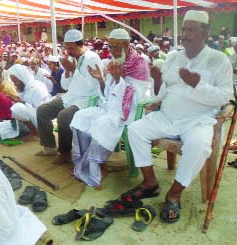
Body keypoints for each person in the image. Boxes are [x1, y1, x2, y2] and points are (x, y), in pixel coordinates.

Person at [124, 10, 233, 223]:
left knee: (200, 145)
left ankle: (174, 193)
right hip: (167, 116)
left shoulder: (219, 60)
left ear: (206, 32)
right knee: (135, 130)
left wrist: (197, 84)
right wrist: (157, 84)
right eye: (184, 29)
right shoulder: (173, 57)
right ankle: (150, 183)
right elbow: (164, 90)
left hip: (198, 120)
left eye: (191, 29)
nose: (185, 34)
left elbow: (224, 96)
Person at [69, 29, 150, 188]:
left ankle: (100, 166)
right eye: (110, 47)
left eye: (115, 47)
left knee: (102, 124)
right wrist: (100, 79)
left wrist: (118, 79)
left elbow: (140, 95)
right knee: (80, 116)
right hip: (109, 107)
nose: (111, 51)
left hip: (128, 112)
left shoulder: (139, 63)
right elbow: (108, 93)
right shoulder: (115, 60)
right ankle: (85, 164)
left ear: (126, 45)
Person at [35, 29, 104, 165]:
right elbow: (65, 85)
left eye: (71, 48)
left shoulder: (92, 58)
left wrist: (73, 70)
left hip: (86, 100)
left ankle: (65, 152)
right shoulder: (73, 58)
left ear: (81, 44)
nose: (69, 51)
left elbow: (93, 87)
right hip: (70, 97)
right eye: (67, 48)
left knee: (63, 116)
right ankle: (49, 147)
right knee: (43, 110)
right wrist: (67, 71)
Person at [7, 64, 52, 141]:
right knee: (0, 127)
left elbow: (42, 109)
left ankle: (34, 133)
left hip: (42, 119)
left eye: (15, 81)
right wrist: (17, 100)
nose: (15, 84)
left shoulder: (37, 87)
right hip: (33, 117)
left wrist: (21, 102)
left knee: (17, 108)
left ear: (22, 77)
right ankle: (30, 130)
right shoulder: (24, 88)